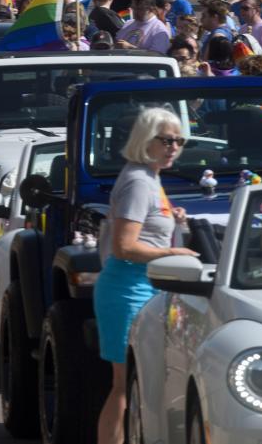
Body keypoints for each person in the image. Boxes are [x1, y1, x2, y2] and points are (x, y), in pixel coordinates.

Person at [94, 107, 194, 444]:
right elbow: (125, 247)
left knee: (139, 383)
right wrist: (173, 253)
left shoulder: (150, 176)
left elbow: (146, 226)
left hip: (144, 286)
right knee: (125, 384)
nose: (173, 147)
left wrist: (171, 218)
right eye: (166, 140)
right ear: (145, 140)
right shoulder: (139, 180)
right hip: (127, 287)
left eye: (179, 141)